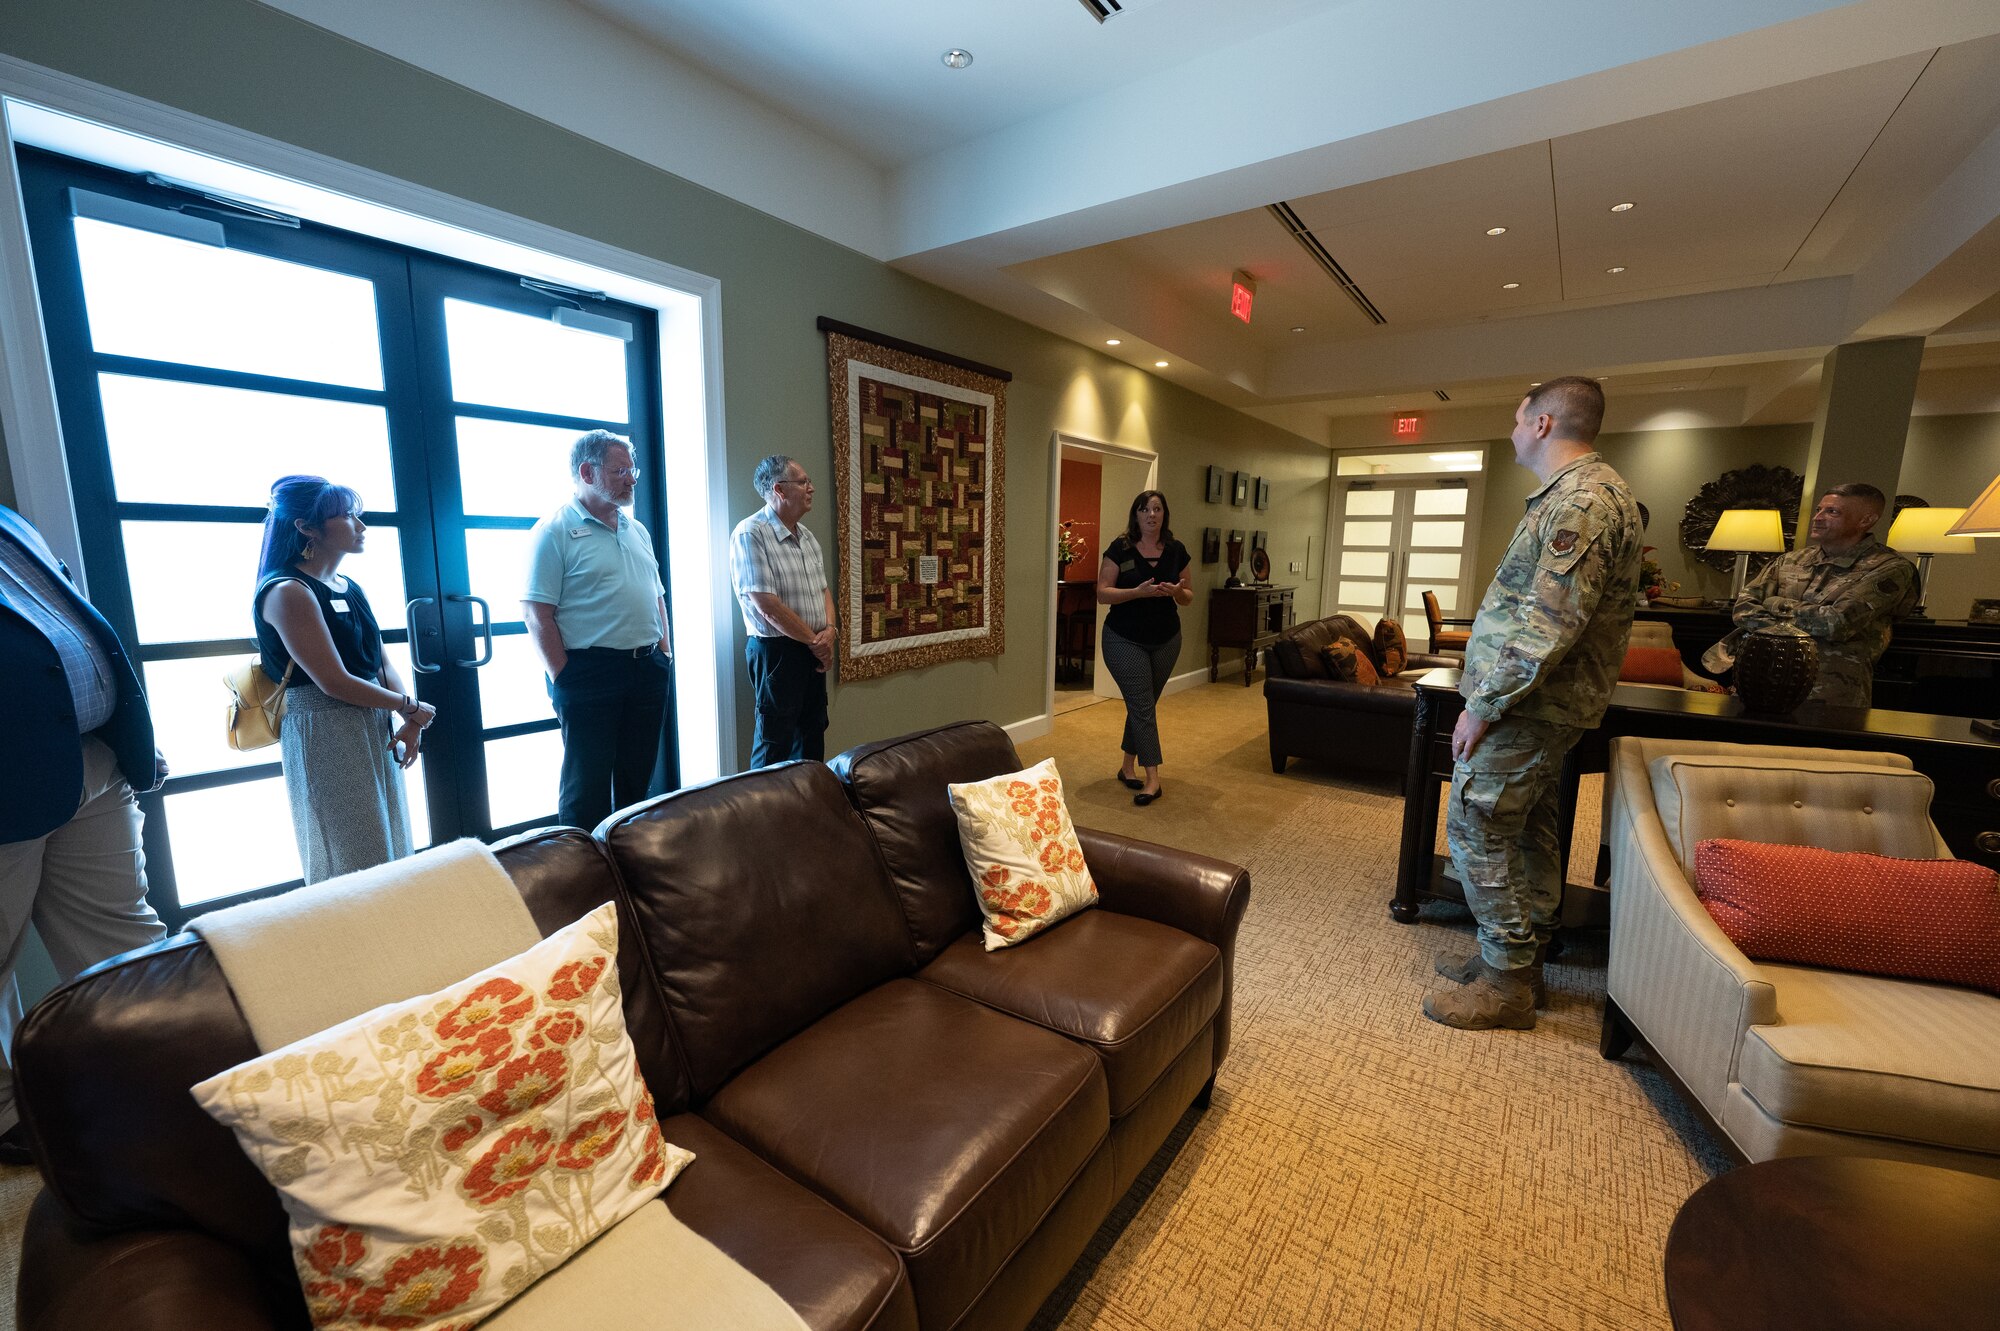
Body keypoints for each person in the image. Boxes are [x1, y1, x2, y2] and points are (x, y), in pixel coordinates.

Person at [1429, 377, 1642, 1031]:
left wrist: (1483, 704)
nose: (1514, 431)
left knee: (1475, 828)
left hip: (1527, 704)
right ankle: (1519, 960)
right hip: (1539, 704)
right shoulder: (1585, 495)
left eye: (1520, 421)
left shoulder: (1582, 503)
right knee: (1525, 831)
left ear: (1545, 424)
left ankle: (1508, 982)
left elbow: (1549, 624)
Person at [0, 504, 170, 1165]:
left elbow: (55, 630)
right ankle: (10, 1117)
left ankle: (162, 1068)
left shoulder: (12, 522)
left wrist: (129, 738)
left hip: (89, 756)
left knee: (124, 935)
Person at [256, 477, 433, 884]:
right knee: (349, 859)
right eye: (348, 515)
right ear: (306, 528)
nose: (361, 525)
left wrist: (410, 717)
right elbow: (332, 681)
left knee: (390, 848)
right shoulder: (288, 590)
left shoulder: (347, 586)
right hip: (325, 726)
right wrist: (408, 708)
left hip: (371, 719)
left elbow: (380, 662)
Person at [523, 431, 674, 829]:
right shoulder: (553, 531)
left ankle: (628, 859)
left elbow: (656, 594)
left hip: (647, 668)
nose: (632, 478)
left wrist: (664, 651)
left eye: (632, 469)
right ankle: (583, 870)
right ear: (587, 472)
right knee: (585, 787)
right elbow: (537, 614)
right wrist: (565, 676)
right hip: (588, 672)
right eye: (620, 470)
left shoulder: (636, 529)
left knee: (636, 779)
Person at [1726, 483, 1916, 708]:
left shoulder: (1890, 568)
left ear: (1865, 520)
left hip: (1832, 695)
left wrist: (1775, 603)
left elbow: (1836, 622)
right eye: (1819, 509)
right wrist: (1806, 622)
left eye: (1832, 512)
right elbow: (1743, 609)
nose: (1818, 517)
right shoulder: (1790, 560)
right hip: (1762, 683)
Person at [729, 455, 835, 768]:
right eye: (803, 482)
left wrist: (830, 631)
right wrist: (816, 642)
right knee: (775, 742)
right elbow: (767, 606)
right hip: (777, 652)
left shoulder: (808, 538)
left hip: (813, 648)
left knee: (812, 735)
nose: (811, 488)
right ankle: (765, 817)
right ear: (779, 489)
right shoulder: (751, 534)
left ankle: (806, 811)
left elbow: (823, 591)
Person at [1096, 489, 1193, 806]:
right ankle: (1153, 779)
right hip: (1123, 638)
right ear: (1135, 515)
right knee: (1142, 705)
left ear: (1164, 514)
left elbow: (1189, 595)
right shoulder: (1119, 549)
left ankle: (1127, 766)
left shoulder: (1176, 550)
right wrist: (1136, 592)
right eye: (1144, 509)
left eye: (1157, 509)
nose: (1151, 514)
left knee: (1144, 704)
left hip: (1167, 639)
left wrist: (1177, 592)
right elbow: (1103, 593)